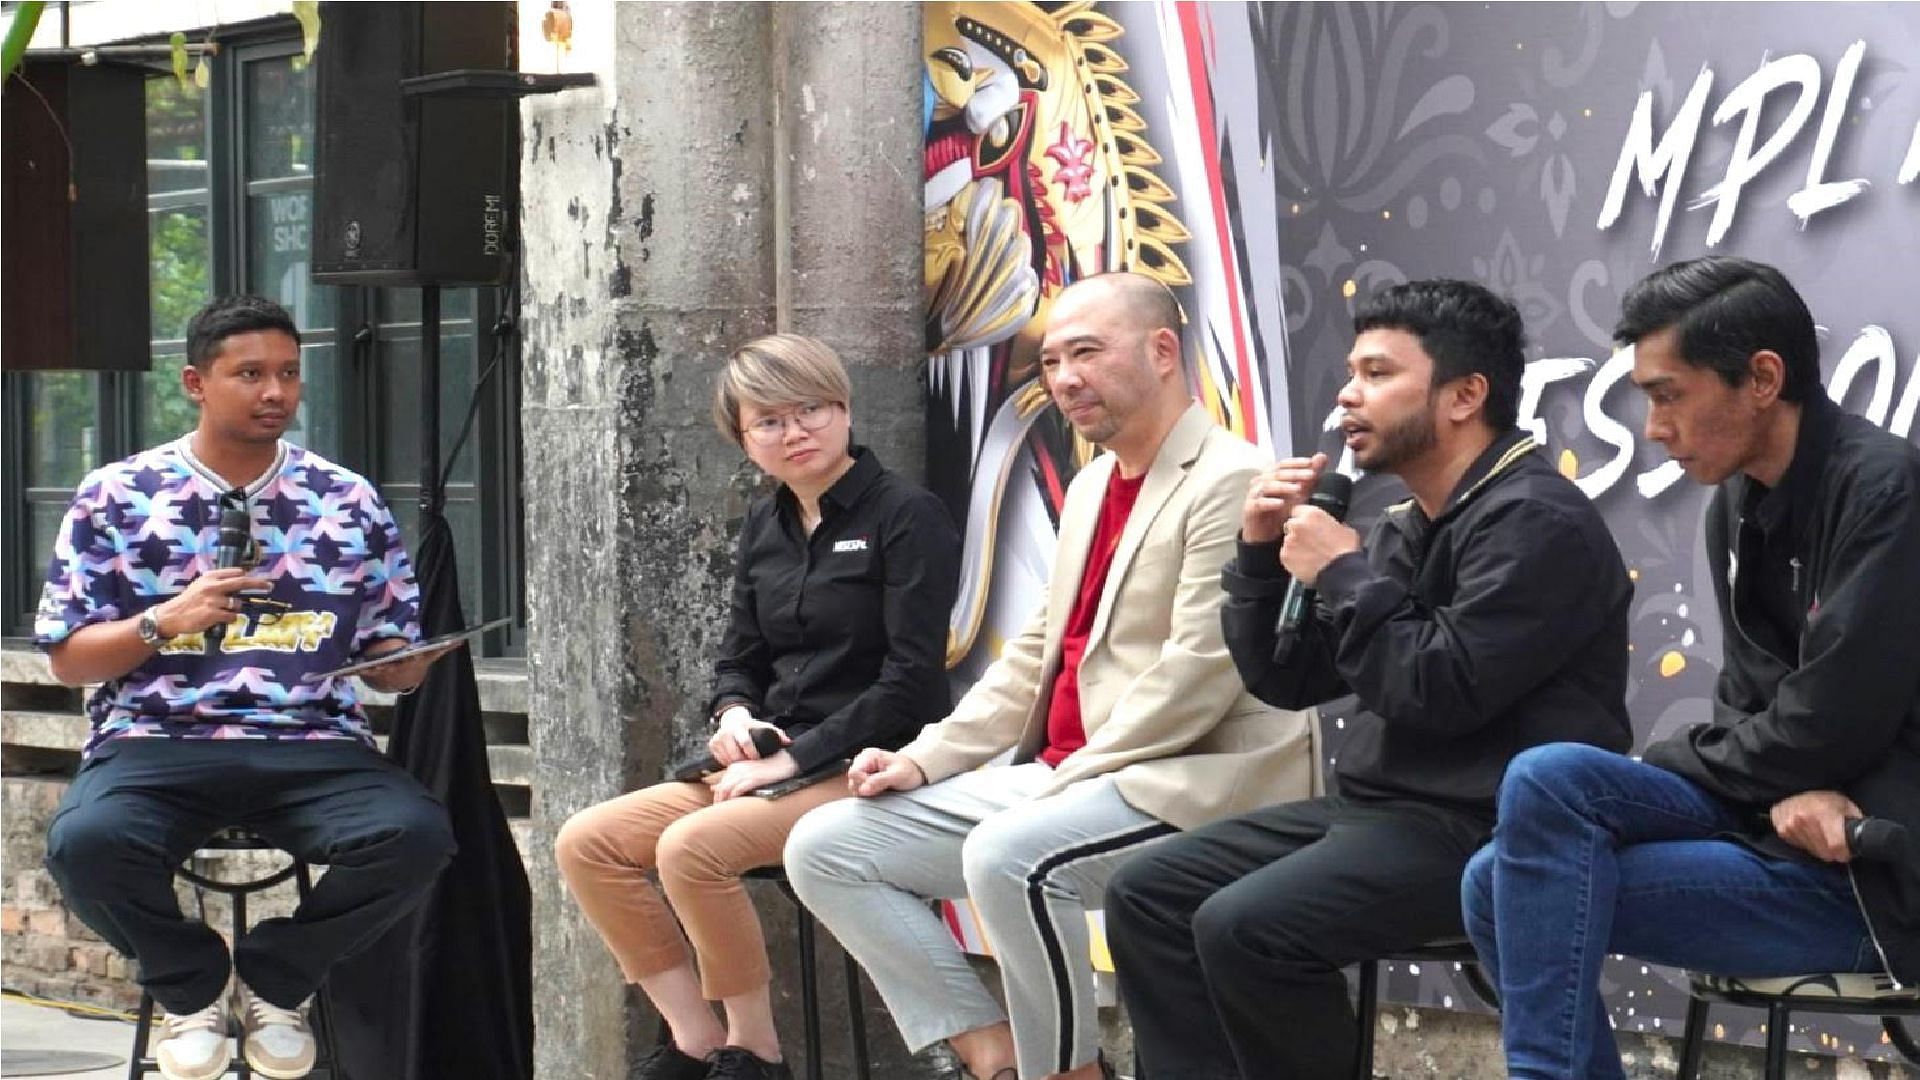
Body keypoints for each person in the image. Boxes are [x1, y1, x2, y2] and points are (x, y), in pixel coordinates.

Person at [783, 271, 1317, 1080]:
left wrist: (1061, 781)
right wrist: (926, 758)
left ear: (1163, 350)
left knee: (1010, 857)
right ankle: (990, 1052)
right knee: (824, 845)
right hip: (1072, 780)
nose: (1065, 379)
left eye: (1088, 354)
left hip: (1193, 779)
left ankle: (1067, 1071)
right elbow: (1036, 649)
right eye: (1054, 361)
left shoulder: (1229, 479)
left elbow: (1202, 673)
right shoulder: (1097, 481)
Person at [1103, 279, 1634, 1080]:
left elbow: (1441, 689)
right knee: (1147, 894)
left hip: (1487, 829)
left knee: (1248, 927)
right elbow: (1287, 677)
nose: (1349, 395)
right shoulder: (1409, 521)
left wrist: (1347, 575)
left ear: (1464, 396)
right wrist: (1256, 553)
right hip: (1380, 811)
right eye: (1352, 372)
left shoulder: (1537, 521)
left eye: (1379, 374)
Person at [1461, 255, 1920, 1079]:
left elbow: (1835, 718)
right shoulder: (1736, 503)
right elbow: (1755, 704)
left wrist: (1692, 761)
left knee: (1523, 836)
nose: (1652, 426)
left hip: (1867, 875)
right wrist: (1784, 779)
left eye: (1668, 394)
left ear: (1763, 378)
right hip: (1776, 828)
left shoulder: (1884, 490)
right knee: (1514, 842)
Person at [37, 295, 457, 1080]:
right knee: (83, 845)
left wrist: (400, 666)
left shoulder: (347, 499)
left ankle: (277, 978)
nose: (276, 392)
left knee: (419, 834)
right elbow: (69, 658)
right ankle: (190, 986)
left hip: (316, 744)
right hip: (154, 740)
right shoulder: (118, 496)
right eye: (251, 374)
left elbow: (386, 638)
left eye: (290, 374)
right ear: (196, 382)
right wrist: (167, 621)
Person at [552, 333, 960, 1080]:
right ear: (743, 436)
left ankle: (754, 1051)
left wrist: (793, 759)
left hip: (876, 762)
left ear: (843, 409)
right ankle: (695, 1042)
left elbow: (912, 684)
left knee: (692, 849)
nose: (794, 431)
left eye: (810, 409)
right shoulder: (765, 525)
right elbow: (738, 656)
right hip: (768, 763)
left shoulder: (906, 514)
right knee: (588, 842)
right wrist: (736, 717)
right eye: (768, 420)